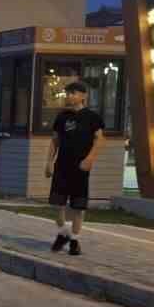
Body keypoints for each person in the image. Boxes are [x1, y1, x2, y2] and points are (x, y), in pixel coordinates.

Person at [45, 82, 104, 257]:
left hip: (81, 167)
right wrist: (49, 161)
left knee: (78, 206)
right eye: (67, 93)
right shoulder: (62, 117)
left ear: (83, 96)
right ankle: (63, 233)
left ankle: (75, 241)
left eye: (73, 93)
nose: (69, 96)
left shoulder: (92, 117)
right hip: (62, 166)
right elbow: (55, 140)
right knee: (58, 204)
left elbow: (100, 140)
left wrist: (90, 158)